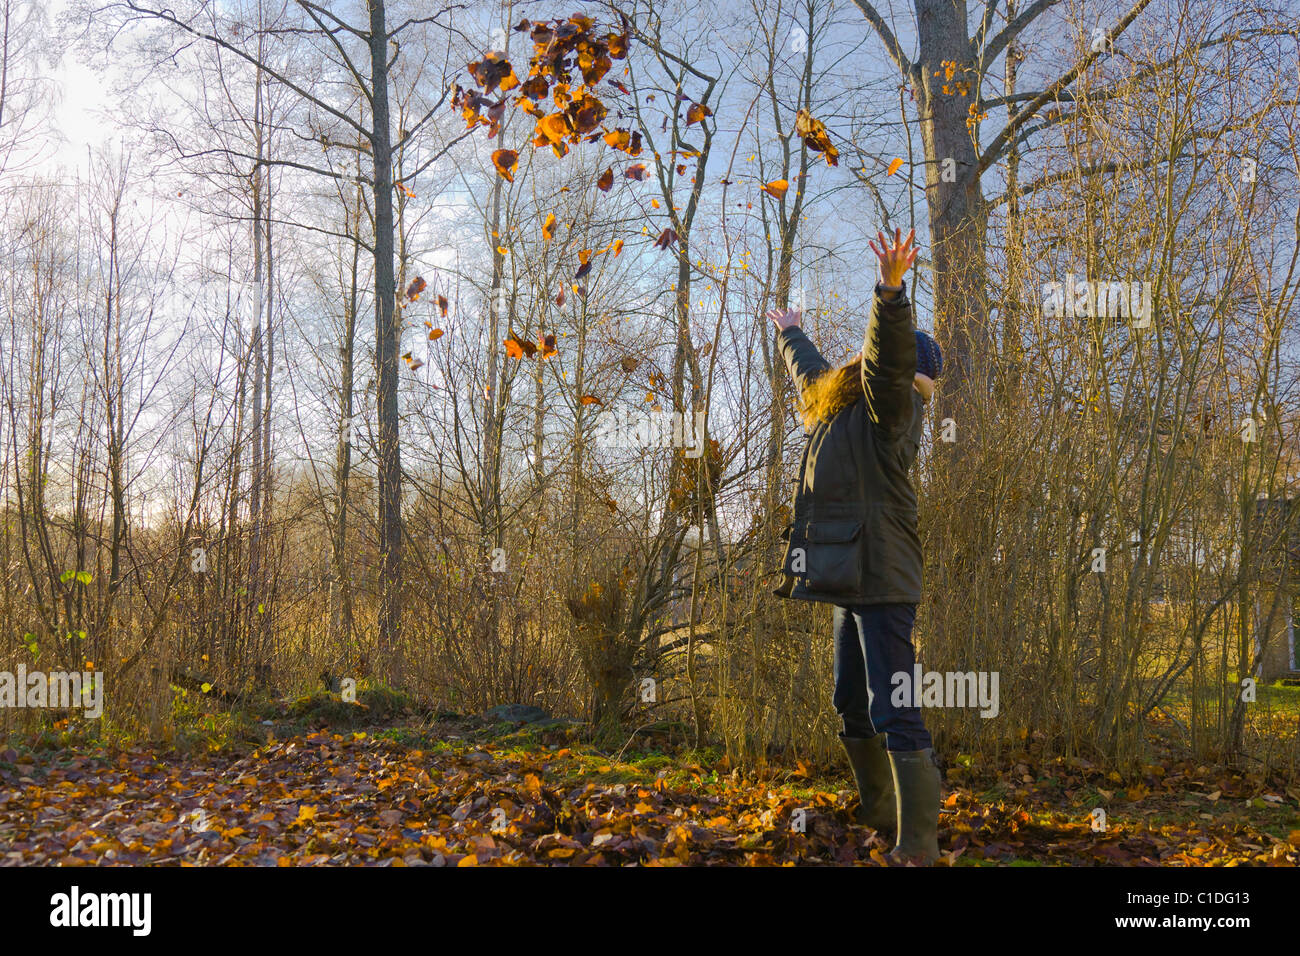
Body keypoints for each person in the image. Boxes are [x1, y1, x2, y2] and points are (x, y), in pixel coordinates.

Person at [766, 228, 943, 864]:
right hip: (850, 573)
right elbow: (812, 374)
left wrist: (890, 294)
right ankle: (880, 811)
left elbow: (888, 361)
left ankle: (917, 847)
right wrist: (791, 331)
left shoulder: (891, 409)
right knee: (851, 697)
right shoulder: (836, 407)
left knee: (892, 703)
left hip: (884, 573)